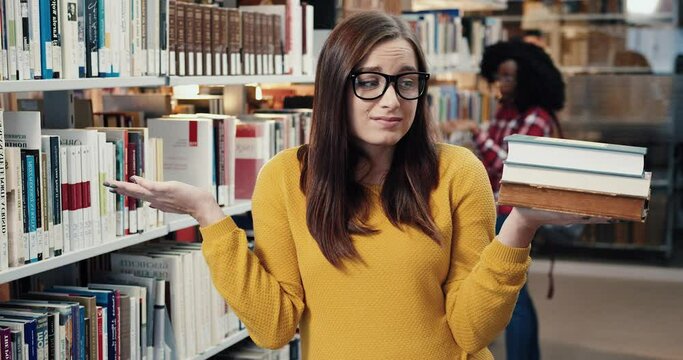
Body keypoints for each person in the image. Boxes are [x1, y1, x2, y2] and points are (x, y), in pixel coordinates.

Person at [105, 12, 601, 360]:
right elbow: (275, 327)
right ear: (336, 87)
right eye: (369, 81)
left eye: (407, 81)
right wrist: (211, 218)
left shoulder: (457, 172)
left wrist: (519, 227)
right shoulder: (284, 178)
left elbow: (471, 330)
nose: (391, 100)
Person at [446, 40, 566, 360]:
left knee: (515, 298)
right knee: (515, 296)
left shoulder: (538, 118)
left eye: (510, 77)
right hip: (493, 205)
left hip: (515, 212)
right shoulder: (505, 112)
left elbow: (509, 163)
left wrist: (476, 132)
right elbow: (490, 164)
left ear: (528, 79)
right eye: (499, 76)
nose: (503, 83)